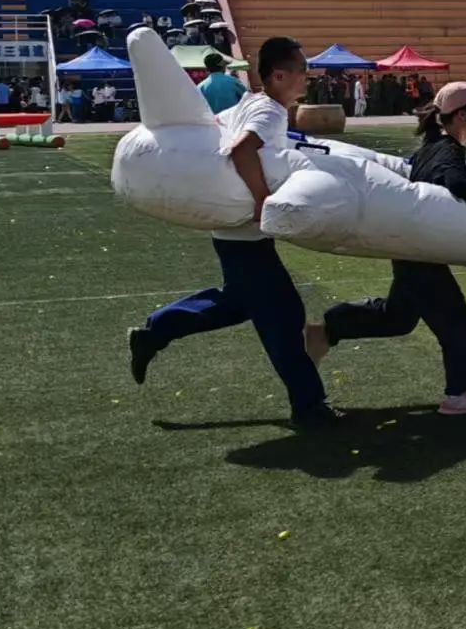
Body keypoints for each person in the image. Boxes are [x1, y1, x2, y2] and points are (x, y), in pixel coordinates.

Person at [126, 37, 336, 430]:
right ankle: (309, 407)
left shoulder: (249, 102)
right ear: (279, 76)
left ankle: (155, 331)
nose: (307, 78)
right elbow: (241, 150)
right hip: (246, 233)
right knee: (283, 317)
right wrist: (262, 200)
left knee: (236, 304)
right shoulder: (269, 112)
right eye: (302, 70)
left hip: (231, 231)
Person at [312, 82, 466, 414]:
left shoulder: (430, 147)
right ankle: (459, 395)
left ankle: (329, 327)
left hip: (412, 246)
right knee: (455, 318)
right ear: (462, 115)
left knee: (398, 318)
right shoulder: (448, 150)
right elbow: (457, 183)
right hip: (420, 251)